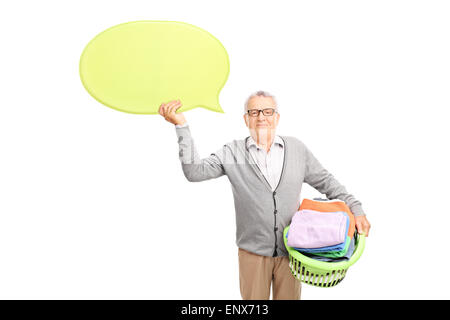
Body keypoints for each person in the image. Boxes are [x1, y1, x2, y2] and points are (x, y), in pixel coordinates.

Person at [158, 91, 371, 300]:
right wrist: (181, 125)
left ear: (277, 117)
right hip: (252, 255)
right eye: (254, 112)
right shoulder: (232, 152)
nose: (261, 117)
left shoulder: (297, 149)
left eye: (268, 111)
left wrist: (357, 209)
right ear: (245, 119)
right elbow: (194, 172)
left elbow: (327, 182)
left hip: (293, 254)